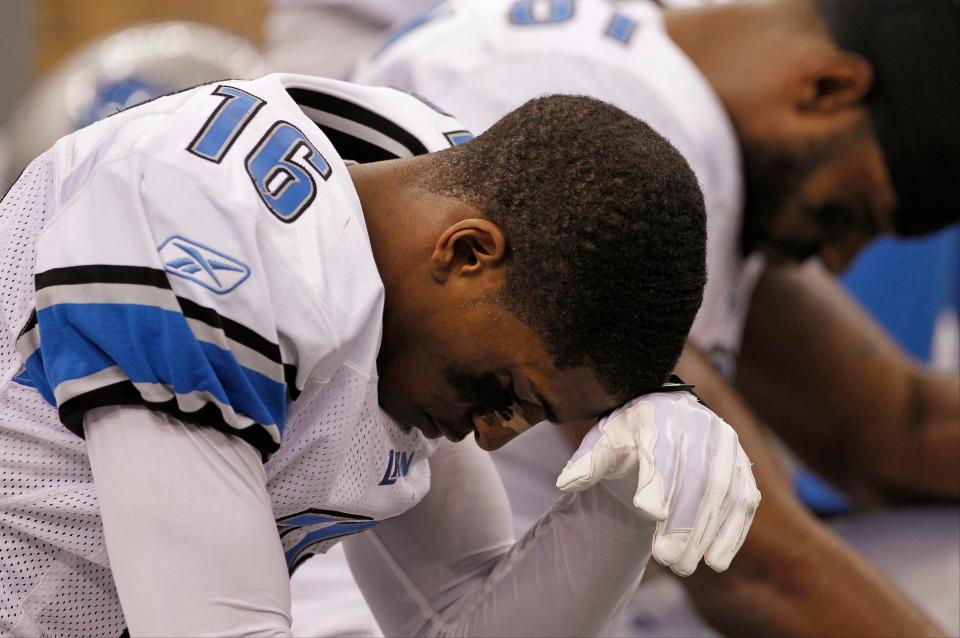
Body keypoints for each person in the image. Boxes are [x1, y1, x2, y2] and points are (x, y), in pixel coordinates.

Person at [0, 73, 760, 635]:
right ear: (466, 253)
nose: (494, 434)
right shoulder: (202, 222)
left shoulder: (418, 231)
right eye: (506, 390)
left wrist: (629, 492)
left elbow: (458, 621)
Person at [353, 0, 960, 635]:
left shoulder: (661, 83)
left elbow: (892, 429)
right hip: (356, 600)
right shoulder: (615, 117)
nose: (836, 261)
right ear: (828, 88)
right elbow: (753, 567)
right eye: (845, 214)